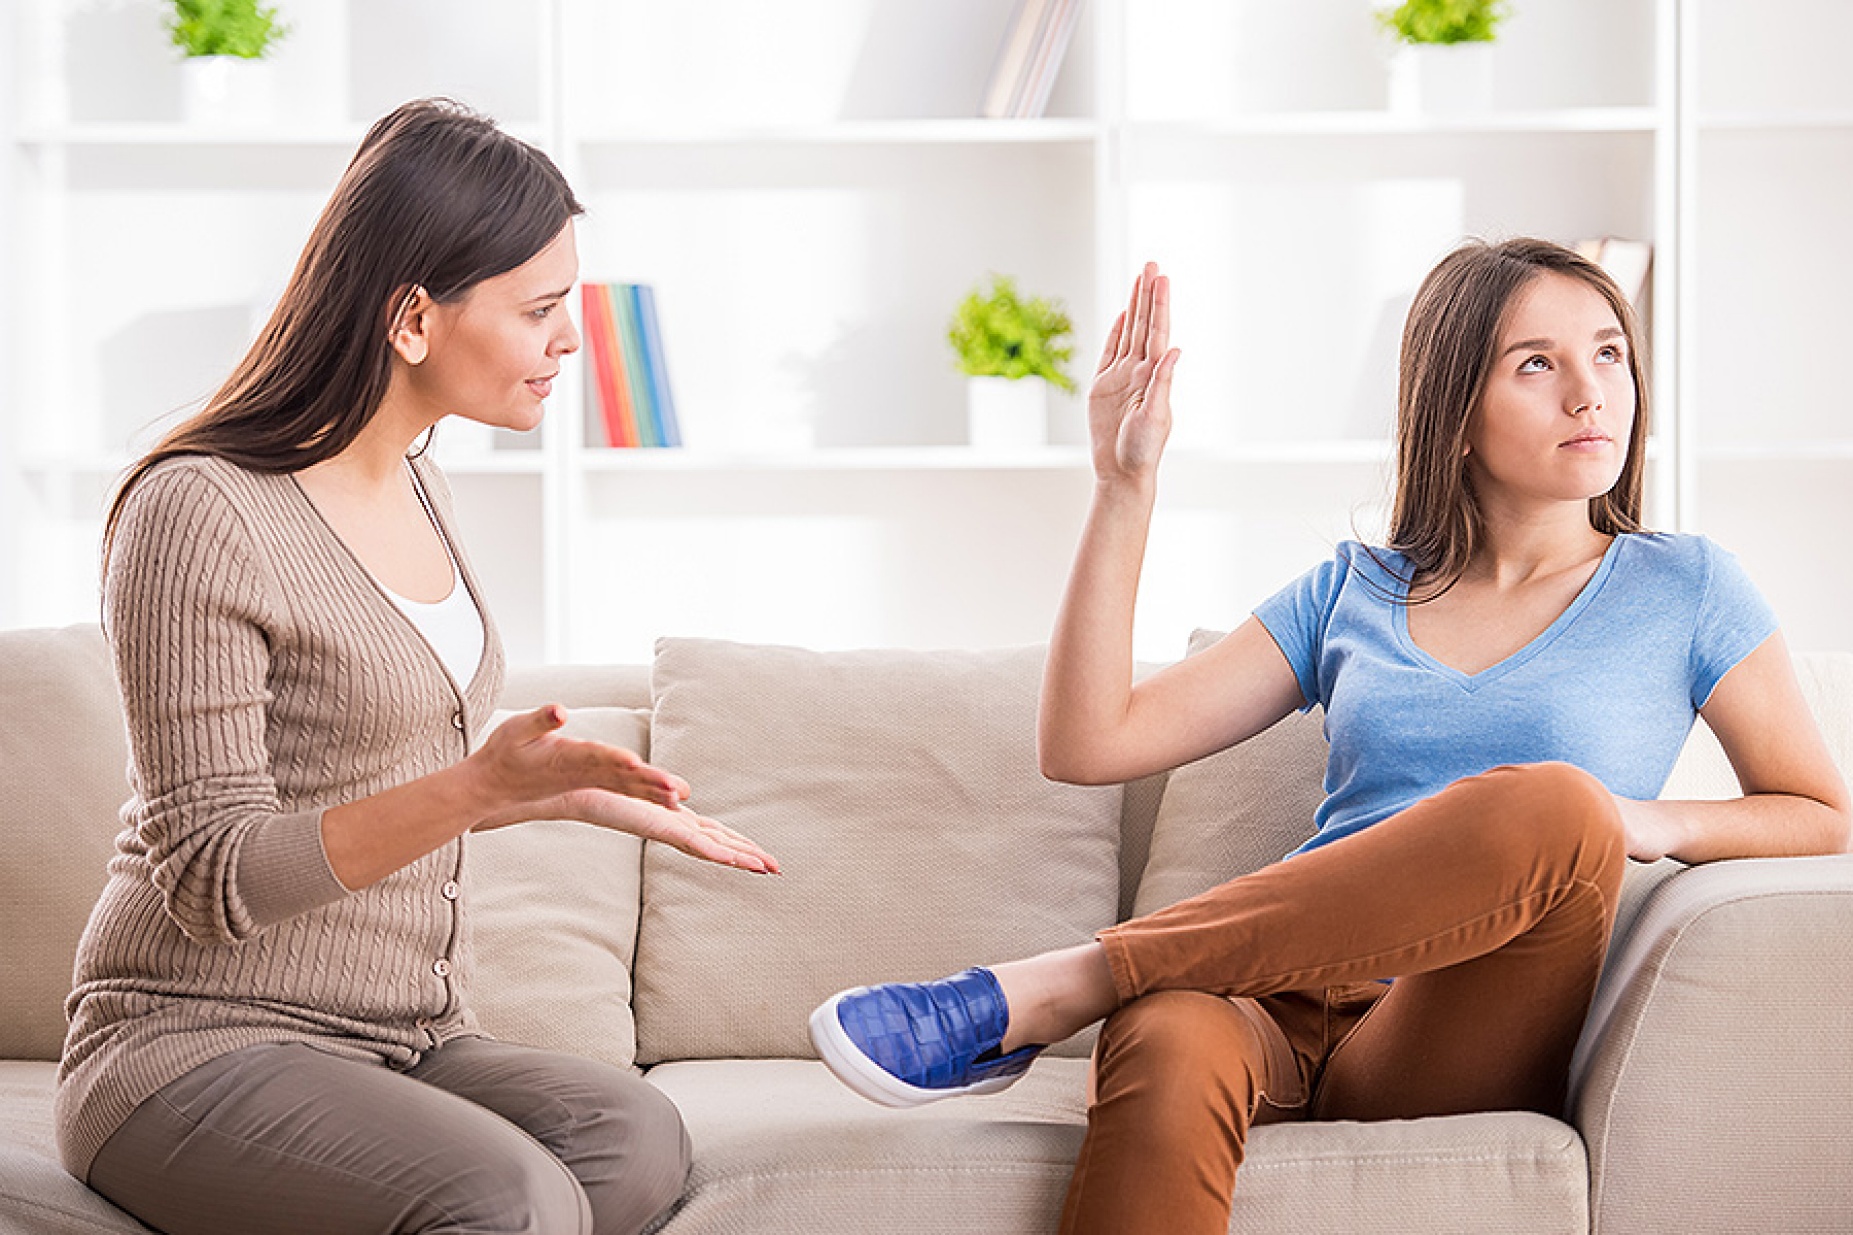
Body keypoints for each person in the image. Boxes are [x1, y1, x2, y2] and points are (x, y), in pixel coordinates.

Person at [808, 238, 1851, 1234]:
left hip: (1458, 1013)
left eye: (1608, 353)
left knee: (1554, 801)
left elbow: (1819, 813)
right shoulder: (1354, 589)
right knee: (1167, 1030)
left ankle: (1062, 981)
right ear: (1451, 412)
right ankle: (1120, 984)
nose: (1590, 392)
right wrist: (1123, 486)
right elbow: (1089, 741)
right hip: (1269, 986)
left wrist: (1633, 817)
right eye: (1537, 362)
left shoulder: (1686, 586)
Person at [57, 98, 779, 1235]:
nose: (569, 341)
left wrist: (528, 793)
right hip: (191, 1041)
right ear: (410, 318)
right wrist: (475, 789)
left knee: (631, 1138)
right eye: (539, 309)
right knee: (512, 1196)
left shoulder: (421, 484)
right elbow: (208, 874)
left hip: (401, 1037)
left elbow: (357, 772)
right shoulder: (198, 507)